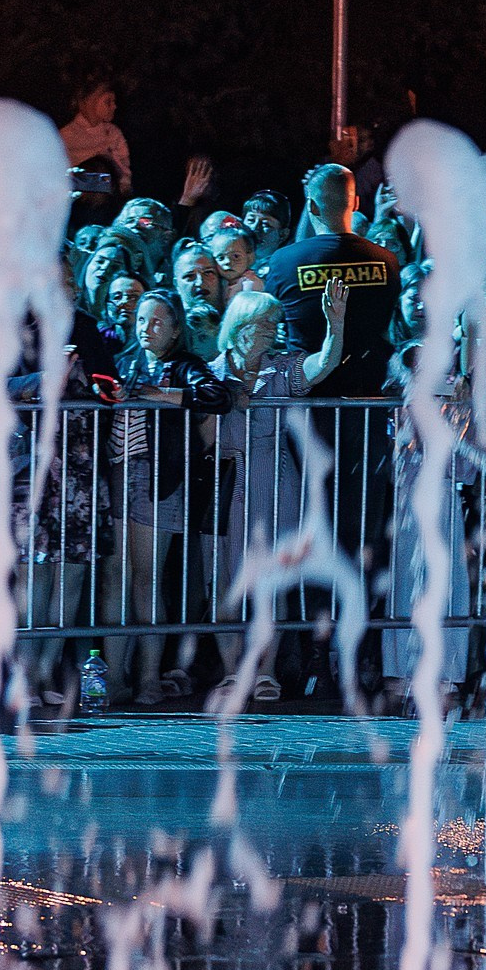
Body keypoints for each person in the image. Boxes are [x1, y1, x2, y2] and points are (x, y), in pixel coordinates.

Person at [210, 283, 348, 701]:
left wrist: (335, 324)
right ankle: (232, 672)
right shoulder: (210, 372)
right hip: (224, 483)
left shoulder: (281, 368)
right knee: (224, 581)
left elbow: (324, 364)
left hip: (274, 481)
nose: (273, 329)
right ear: (241, 326)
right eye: (264, 322)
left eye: (274, 321)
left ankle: (266, 670)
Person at [107, 290, 232, 706]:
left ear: (176, 329)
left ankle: (148, 677)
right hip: (118, 471)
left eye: (158, 321)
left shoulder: (185, 365)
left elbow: (218, 396)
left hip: (159, 475)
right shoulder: (125, 362)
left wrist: (161, 395)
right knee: (115, 577)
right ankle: (115, 678)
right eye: (142, 320)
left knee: (146, 578)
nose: (147, 328)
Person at [261, 163, 398, 397]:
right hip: (369, 389)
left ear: (311, 206)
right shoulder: (386, 260)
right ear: (355, 203)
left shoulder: (283, 261)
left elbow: (270, 316)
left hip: (308, 389)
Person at [58, 80, 132, 196]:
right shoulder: (66, 137)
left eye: (114, 101)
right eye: (108, 102)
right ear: (90, 102)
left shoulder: (113, 133)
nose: (114, 106)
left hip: (112, 198)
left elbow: (124, 173)